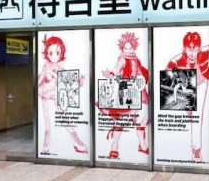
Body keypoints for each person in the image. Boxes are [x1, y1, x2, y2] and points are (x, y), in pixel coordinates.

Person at [100, 31, 149, 159]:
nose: (128, 50)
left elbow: (139, 72)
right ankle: (114, 145)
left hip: (138, 90)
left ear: (134, 47)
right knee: (122, 120)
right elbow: (116, 69)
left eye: (130, 48)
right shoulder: (122, 59)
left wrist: (142, 77)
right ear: (122, 48)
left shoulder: (136, 59)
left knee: (142, 118)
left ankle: (142, 144)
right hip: (126, 90)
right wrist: (110, 74)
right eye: (125, 48)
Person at [166, 31, 209, 162]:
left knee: (198, 116)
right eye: (189, 49)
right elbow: (167, 77)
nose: (192, 53)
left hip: (202, 84)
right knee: (189, 115)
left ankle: (196, 149)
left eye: (195, 49)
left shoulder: (205, 52)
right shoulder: (176, 61)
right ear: (184, 48)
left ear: (199, 48)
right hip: (186, 87)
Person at [38, 35, 88, 155]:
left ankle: (75, 138)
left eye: (57, 53)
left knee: (63, 114)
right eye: (51, 53)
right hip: (45, 92)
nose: (54, 56)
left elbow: (64, 78)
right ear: (47, 53)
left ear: (61, 53)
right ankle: (46, 140)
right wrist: (43, 77)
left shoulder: (59, 66)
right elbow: (40, 81)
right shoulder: (46, 67)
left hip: (56, 93)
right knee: (46, 117)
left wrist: (77, 79)